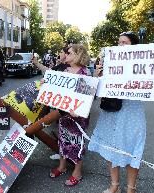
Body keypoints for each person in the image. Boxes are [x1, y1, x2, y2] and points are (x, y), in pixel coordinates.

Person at [88, 32, 146, 193]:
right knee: (110, 146)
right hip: (111, 112)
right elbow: (96, 92)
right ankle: (114, 185)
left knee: (131, 148)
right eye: (119, 42)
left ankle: (131, 189)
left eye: (124, 42)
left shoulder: (143, 65)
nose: (120, 45)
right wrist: (96, 76)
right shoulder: (109, 64)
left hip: (131, 112)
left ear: (134, 47)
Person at [35, 44, 91, 186]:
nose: (66, 55)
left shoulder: (85, 73)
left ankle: (77, 173)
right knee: (63, 139)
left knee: (77, 142)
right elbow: (56, 89)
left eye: (70, 53)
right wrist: (45, 84)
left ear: (78, 55)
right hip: (63, 114)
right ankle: (62, 166)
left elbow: (86, 97)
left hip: (78, 117)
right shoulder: (65, 70)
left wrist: (77, 110)